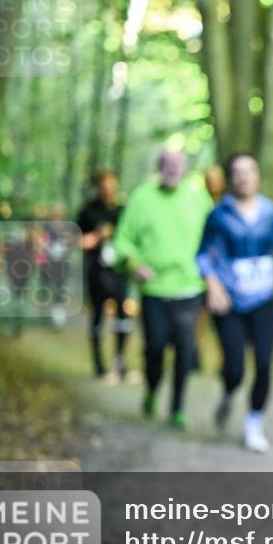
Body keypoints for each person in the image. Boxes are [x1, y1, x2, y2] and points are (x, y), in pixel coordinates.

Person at [196, 153, 273, 452]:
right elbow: (203, 255)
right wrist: (213, 285)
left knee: (265, 364)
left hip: (264, 299)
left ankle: (254, 423)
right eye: (237, 173)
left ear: (258, 176)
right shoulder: (218, 215)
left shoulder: (270, 213)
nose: (243, 177)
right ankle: (229, 391)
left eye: (249, 171)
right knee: (236, 369)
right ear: (231, 179)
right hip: (229, 302)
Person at [114, 150, 213, 430]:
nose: (172, 169)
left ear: (185, 169)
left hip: (189, 289)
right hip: (154, 290)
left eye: (177, 164)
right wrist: (134, 263)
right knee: (154, 348)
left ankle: (177, 408)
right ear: (159, 168)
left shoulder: (198, 198)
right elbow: (123, 240)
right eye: (167, 164)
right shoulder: (141, 198)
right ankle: (151, 390)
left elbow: (213, 237)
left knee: (185, 352)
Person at [78, 170, 132, 382]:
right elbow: (77, 240)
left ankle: (120, 360)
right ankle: (99, 363)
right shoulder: (88, 211)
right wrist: (97, 236)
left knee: (122, 316)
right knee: (98, 315)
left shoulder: (123, 211)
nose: (108, 188)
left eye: (112, 184)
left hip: (119, 271)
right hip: (95, 270)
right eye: (104, 184)